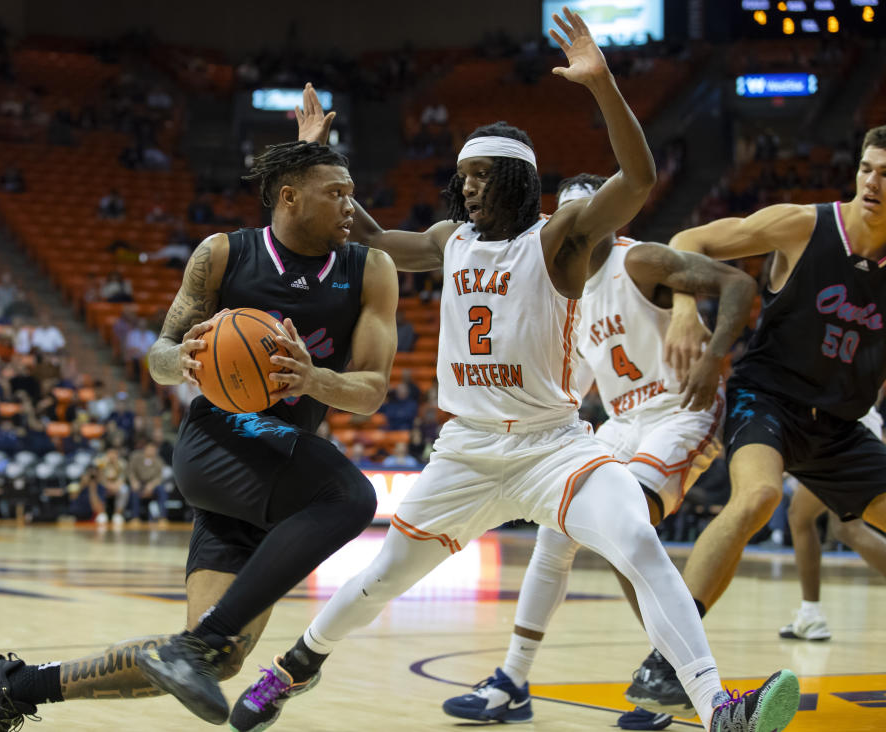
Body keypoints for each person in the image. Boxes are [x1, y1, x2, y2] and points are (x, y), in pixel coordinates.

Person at [233, 13, 798, 732]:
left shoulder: (560, 238)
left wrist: (602, 86)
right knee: (379, 579)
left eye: (478, 177)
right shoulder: (451, 239)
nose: (465, 189)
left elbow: (640, 178)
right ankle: (292, 669)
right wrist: (315, 157)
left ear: (512, 180)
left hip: (553, 446)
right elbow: (365, 233)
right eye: (460, 178)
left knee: (636, 540)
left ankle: (718, 706)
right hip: (466, 449)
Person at [0, 135, 398, 731]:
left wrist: (313, 377)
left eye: (353, 193)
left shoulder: (371, 268)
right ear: (290, 198)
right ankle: (199, 642)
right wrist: (183, 360)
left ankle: (16, 687)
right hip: (220, 445)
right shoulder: (222, 254)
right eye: (337, 193)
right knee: (350, 496)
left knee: (215, 660)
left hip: (277, 475)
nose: (352, 206)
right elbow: (160, 355)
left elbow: (371, 391)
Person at [441, 171, 757, 728]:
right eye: (570, 215)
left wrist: (713, 358)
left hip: (680, 413)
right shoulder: (567, 287)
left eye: (592, 211)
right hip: (622, 422)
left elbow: (738, 286)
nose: (582, 225)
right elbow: (572, 382)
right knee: (554, 532)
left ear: (613, 215)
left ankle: (673, 676)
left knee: (624, 523)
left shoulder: (641, 261)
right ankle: (514, 680)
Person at [624, 123, 886, 713]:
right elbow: (690, 237)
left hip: (841, 426)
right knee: (759, 496)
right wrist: (688, 309)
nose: (873, 180)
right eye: (868, 167)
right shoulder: (806, 225)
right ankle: (664, 665)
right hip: (765, 400)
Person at [780, 406, 886, 641]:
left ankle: (811, 615)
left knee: (808, 518)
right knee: (836, 526)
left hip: (846, 433)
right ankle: (810, 614)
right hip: (856, 429)